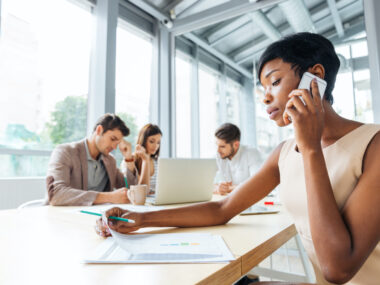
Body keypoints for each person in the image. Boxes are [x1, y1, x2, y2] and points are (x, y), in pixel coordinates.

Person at [96, 33, 380, 285]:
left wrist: (311, 148)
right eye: (263, 90)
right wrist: (143, 219)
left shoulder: (373, 144)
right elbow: (222, 209)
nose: (266, 98)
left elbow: (338, 269)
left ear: (315, 76)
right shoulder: (283, 152)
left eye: (275, 82)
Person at [46, 113, 148, 206]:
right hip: (63, 218)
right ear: (99, 130)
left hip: (97, 219)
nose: (114, 147)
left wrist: (129, 158)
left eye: (117, 143)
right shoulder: (65, 152)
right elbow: (56, 194)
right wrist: (109, 197)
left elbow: (131, 191)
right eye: (112, 139)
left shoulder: (110, 161)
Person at [214, 123, 262, 195]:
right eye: (217, 145)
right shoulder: (220, 155)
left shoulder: (251, 153)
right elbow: (211, 185)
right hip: (229, 199)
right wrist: (219, 188)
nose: (218, 150)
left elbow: (256, 184)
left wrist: (229, 188)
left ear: (236, 145)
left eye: (222, 146)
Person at [120, 124, 162, 195]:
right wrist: (145, 160)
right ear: (143, 140)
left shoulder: (158, 162)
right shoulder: (130, 160)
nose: (156, 146)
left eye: (158, 143)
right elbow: (142, 192)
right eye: (151, 141)